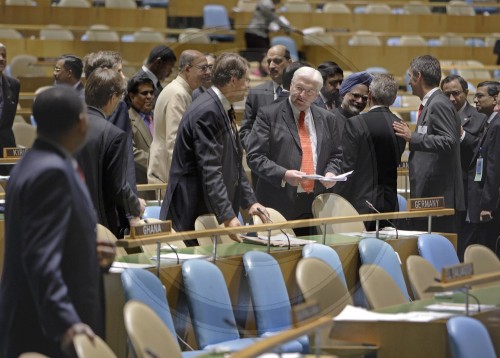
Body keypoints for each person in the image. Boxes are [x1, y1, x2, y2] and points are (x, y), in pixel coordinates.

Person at [0, 87, 115, 357]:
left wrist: (89, 250)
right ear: (81, 122)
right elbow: (40, 258)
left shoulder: (33, 163)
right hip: (47, 331)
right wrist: (68, 321)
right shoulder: (52, 173)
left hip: (39, 320)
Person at [160, 53, 268, 245]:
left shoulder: (221, 105)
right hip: (191, 210)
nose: (248, 86)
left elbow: (235, 161)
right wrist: (227, 216)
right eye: (246, 81)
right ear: (233, 80)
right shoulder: (208, 111)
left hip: (207, 208)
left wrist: (250, 201)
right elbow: (210, 169)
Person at [246, 66, 343, 236]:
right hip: (279, 201)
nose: (302, 95)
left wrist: (331, 172)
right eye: (299, 88)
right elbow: (254, 157)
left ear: (317, 94)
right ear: (291, 85)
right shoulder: (268, 115)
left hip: (316, 202)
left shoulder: (328, 119)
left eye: (310, 91)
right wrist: (283, 174)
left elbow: (336, 155)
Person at [393, 55, 464, 233]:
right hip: (430, 195)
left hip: (439, 196)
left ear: (418, 76)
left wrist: (413, 137)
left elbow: (449, 142)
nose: (408, 81)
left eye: (410, 76)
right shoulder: (432, 103)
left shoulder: (438, 104)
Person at [76, 68, 142, 238]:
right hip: (98, 224)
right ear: (112, 98)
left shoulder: (66, 125)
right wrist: (136, 206)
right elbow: (118, 186)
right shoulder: (113, 134)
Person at [334, 74, 406, 227]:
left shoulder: (356, 123)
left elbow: (348, 167)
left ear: (370, 95)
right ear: (393, 100)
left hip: (360, 204)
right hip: (390, 204)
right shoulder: (401, 125)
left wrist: (335, 198)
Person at [148, 50, 209, 185]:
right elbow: (174, 141)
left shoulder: (183, 91)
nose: (207, 73)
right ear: (188, 69)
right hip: (167, 172)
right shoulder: (178, 94)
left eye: (208, 68)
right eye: (203, 68)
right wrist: (181, 179)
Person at [462, 81, 500, 257]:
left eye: (480, 96)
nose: (475, 100)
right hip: (486, 202)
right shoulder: (490, 123)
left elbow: (494, 168)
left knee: (488, 250)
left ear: (495, 98)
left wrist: (487, 206)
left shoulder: (497, 126)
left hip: (490, 206)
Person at [240, 44, 293, 149]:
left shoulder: (300, 92)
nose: (272, 66)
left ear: (289, 63)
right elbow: (246, 130)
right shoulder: (255, 93)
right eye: (269, 62)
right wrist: (255, 150)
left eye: (277, 61)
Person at [127, 74, 155, 189]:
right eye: (144, 93)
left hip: (162, 185)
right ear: (132, 96)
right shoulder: (126, 119)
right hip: (142, 187)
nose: (149, 97)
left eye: (151, 93)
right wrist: (157, 164)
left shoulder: (157, 116)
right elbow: (131, 152)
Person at [0, 43, 20, 175]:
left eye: (4, 55)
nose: (1, 58)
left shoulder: (14, 84)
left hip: (6, 146)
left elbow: (8, 122)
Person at [334, 71, 372, 137]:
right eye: (356, 95)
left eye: (364, 98)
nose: (360, 101)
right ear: (344, 94)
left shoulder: (365, 122)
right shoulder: (329, 119)